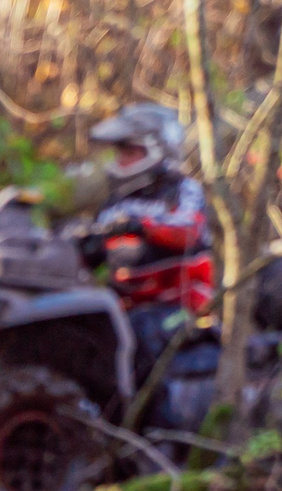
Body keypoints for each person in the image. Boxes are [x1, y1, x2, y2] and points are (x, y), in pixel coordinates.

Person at [66, 102, 212, 362]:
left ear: (156, 149)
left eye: (130, 151)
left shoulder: (182, 190)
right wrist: (88, 245)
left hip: (181, 309)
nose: (121, 159)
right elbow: (99, 251)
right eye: (120, 151)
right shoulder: (116, 201)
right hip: (125, 307)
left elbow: (189, 232)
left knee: (141, 337)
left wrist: (141, 226)